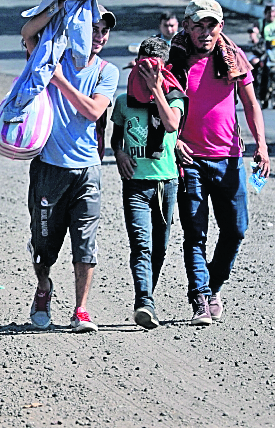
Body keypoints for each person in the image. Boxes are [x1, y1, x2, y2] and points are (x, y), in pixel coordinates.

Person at [169, 0, 270, 326]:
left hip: (229, 159)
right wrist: (175, 141)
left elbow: (251, 104)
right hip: (190, 160)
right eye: (198, 25)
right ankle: (200, 297)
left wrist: (262, 146)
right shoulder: (176, 62)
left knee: (236, 229)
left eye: (211, 25)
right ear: (186, 27)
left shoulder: (233, 59)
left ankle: (212, 287)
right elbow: (159, 110)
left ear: (220, 27)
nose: (205, 32)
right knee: (195, 233)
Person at [20, 4, 119, 332]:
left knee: (85, 243)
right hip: (50, 170)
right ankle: (44, 288)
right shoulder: (52, 56)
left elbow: (93, 111)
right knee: (43, 244)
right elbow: (28, 34)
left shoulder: (107, 71)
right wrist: (60, 7)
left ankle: (80, 310)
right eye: (92, 28)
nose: (100, 36)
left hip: (88, 170)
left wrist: (58, 79)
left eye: (104, 30)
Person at [111, 36, 186, 329]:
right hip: (135, 183)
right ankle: (144, 302)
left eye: (155, 65)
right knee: (141, 246)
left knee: (160, 247)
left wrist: (157, 89)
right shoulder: (124, 101)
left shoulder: (175, 96)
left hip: (166, 183)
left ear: (165, 66)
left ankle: (147, 296)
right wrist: (118, 153)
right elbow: (116, 136)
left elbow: (171, 124)